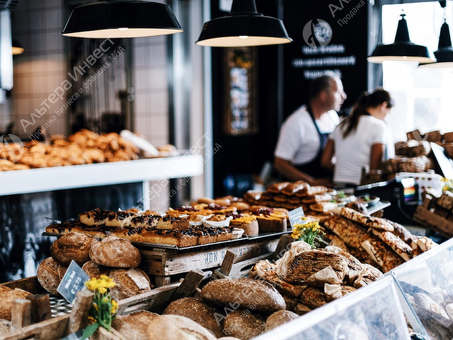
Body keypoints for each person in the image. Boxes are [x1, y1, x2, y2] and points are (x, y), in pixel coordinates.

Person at [274, 73, 347, 186]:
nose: (344, 96)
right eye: (338, 92)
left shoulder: (332, 116)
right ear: (323, 95)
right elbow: (280, 163)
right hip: (302, 192)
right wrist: (310, 182)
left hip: (329, 189)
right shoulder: (297, 122)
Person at [321, 88, 395, 187]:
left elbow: (325, 161)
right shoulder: (379, 126)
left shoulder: (341, 125)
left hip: (338, 186)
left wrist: (344, 170)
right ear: (383, 106)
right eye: (388, 112)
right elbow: (375, 170)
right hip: (362, 189)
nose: (385, 117)